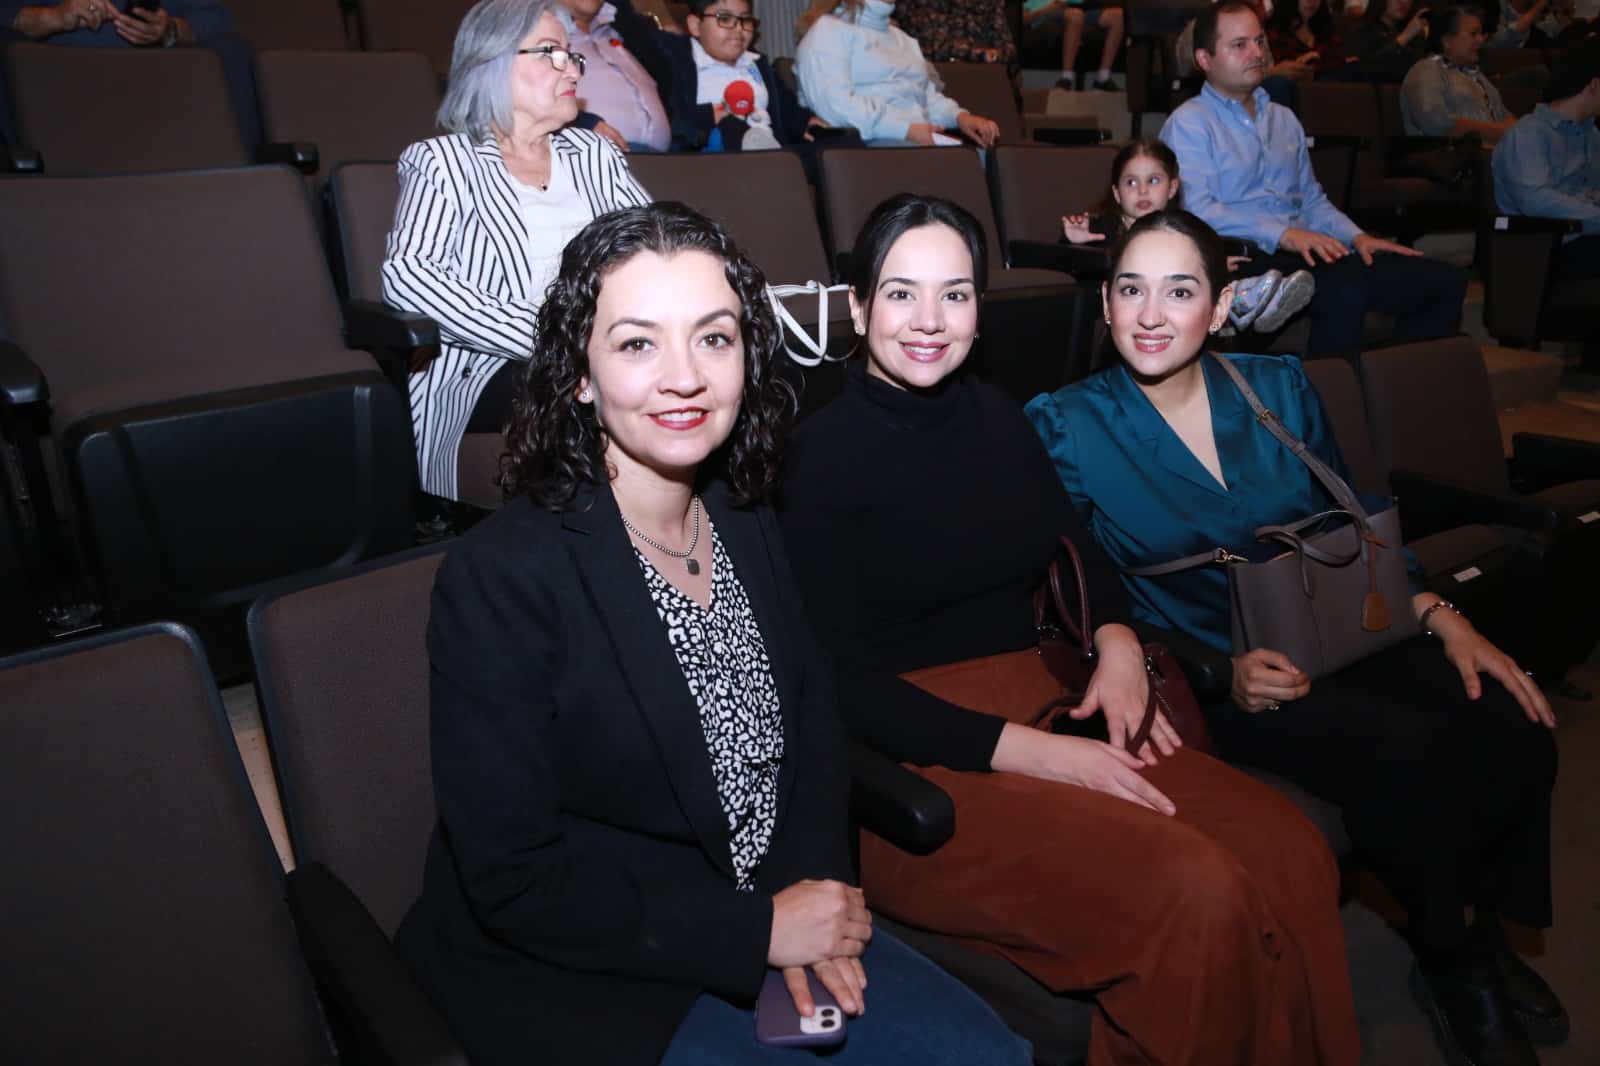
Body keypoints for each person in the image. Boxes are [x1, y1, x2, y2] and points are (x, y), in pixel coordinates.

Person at [395, 201, 1033, 1066]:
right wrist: (756, 930)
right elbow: (514, 878)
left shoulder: (743, 508)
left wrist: (819, 898)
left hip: (770, 905)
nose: (684, 377)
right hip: (592, 971)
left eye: (714, 337)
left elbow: (808, 719)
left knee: (994, 1055)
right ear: (578, 373)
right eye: (636, 343)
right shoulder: (501, 579)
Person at [780, 192, 1361, 1066]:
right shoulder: (816, 458)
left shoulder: (1000, 417)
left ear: (981, 307)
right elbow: (836, 686)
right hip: (923, 764)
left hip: (1051, 706)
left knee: (1288, 852)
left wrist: (1119, 640)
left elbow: (1078, 548)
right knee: (1193, 893)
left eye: (955, 294)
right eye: (901, 294)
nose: (929, 322)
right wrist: (1040, 752)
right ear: (858, 308)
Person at [1027, 208, 1565, 1066]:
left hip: (1345, 628)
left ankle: (1480, 923)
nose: (1152, 314)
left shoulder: (1276, 386)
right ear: (1105, 302)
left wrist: (1442, 617)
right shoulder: (1064, 425)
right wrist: (1213, 671)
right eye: (1131, 289)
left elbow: (1353, 519)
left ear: (1224, 303)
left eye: (1181, 290)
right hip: (1229, 673)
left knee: (1512, 715)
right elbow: (1084, 588)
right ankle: (1457, 960)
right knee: (1409, 751)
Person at [382, 0, 650, 502]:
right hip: (493, 364)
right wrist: (554, 338)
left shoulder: (593, 154)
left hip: (611, 347)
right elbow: (410, 276)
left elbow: (655, 246)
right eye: (551, 53)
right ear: (492, 63)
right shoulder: (443, 162)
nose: (571, 67)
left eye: (572, 56)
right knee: (584, 381)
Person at [1162, 0, 1468, 358]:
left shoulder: (1284, 119)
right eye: (1239, 45)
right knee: (1344, 285)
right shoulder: (1190, 123)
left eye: (1260, 41)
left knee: (1442, 282)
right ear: (1204, 60)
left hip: (1305, 250)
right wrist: (1284, 234)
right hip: (1245, 257)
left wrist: (1358, 237)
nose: (1256, 52)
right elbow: (1198, 210)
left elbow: (1311, 202)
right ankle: (1329, 401)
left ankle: (1390, 395)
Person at [1061, 138, 1317, 334]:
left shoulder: (1182, 228)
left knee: (1221, 263)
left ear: (1172, 187)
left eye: (1153, 180)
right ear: (1116, 193)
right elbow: (1072, 265)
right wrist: (1073, 241)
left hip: (1175, 300)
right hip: (1125, 304)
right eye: (1131, 183)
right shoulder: (1102, 226)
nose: (1142, 191)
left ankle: (1253, 302)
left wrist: (1209, 264)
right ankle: (1239, 303)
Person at [793, 0, 1001, 147]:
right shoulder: (827, 32)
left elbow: (926, 98)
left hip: (916, 141)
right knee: (963, 168)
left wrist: (960, 117)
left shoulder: (902, 38)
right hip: (867, 147)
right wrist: (905, 131)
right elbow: (837, 107)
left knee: (989, 162)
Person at [644, 0, 832, 151]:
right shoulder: (678, 61)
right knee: (731, 126)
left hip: (772, 149)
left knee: (843, 144)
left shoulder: (757, 64)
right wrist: (712, 115)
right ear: (695, 25)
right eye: (724, 18)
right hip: (712, 155)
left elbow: (788, 110)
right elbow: (672, 118)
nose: (738, 29)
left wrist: (806, 123)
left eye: (745, 20)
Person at [1492, 37, 1600, 281]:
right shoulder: (1529, 134)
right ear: (1594, 84)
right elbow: (1535, 201)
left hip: (1586, 237)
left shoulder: (1591, 133)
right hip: (1545, 248)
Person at [555, 0, 672, 150]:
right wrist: (580, 122)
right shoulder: (536, 36)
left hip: (666, 160)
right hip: (589, 159)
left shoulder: (627, 31)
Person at [1400, 5, 1516, 140]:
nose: (1480, 39)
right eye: (1473, 34)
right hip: (1451, 156)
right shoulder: (1426, 70)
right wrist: (1499, 132)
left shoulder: (1476, 75)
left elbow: (1506, 117)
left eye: (1480, 34)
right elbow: (1437, 123)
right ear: (1447, 41)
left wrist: (1514, 132)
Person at [1023, 0, 1124, 90]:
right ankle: (1066, 77)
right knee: (1076, 15)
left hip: (1082, 8)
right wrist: (1047, 9)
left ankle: (1103, 77)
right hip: (1051, 10)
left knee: (1119, 15)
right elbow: (1025, 18)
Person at [893, 0, 1018, 69]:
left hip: (984, 79)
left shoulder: (988, 4)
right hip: (931, 79)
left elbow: (1008, 49)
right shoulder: (912, 5)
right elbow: (917, 48)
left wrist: (996, 55)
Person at [1349, 0, 1432, 82]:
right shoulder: (1364, 29)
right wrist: (1405, 37)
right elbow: (1369, 68)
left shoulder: (1414, 31)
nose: (1403, 2)